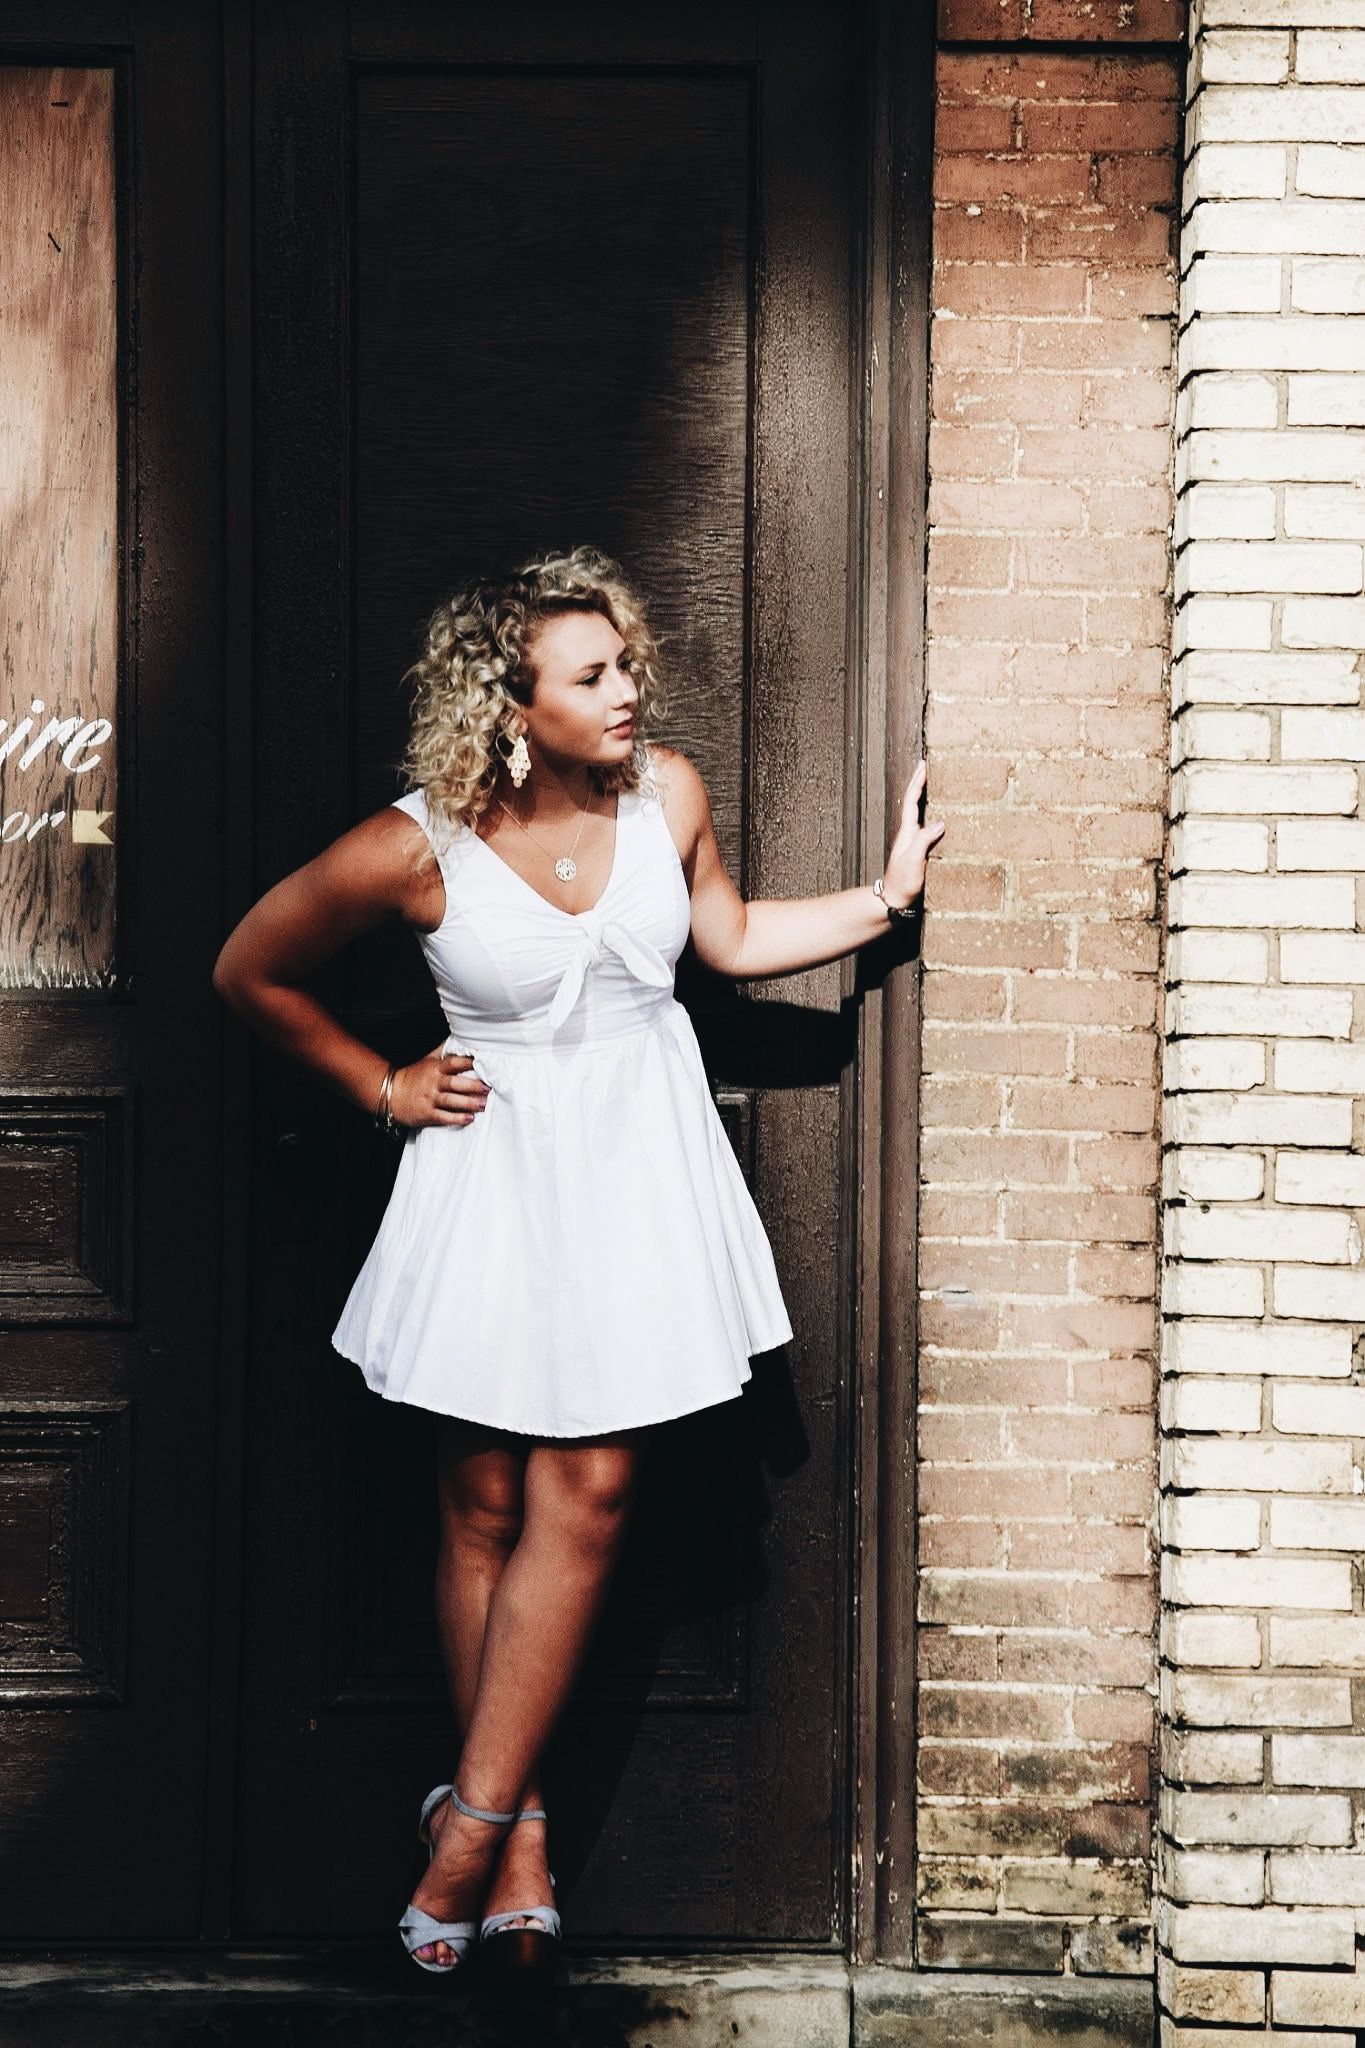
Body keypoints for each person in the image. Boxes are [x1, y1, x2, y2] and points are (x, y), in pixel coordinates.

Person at [211, 543, 944, 1980]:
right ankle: (525, 1836)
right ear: (510, 705)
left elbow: (730, 937)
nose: (628, 692)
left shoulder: (667, 795)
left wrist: (884, 897)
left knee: (591, 1488)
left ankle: (465, 1834)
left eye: (626, 665)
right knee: (482, 1506)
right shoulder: (418, 844)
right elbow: (250, 968)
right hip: (492, 1183)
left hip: (637, 1179)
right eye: (592, 674)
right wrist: (381, 1086)